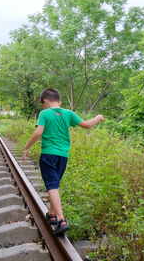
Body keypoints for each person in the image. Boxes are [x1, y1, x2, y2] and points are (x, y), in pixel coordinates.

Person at [22, 88, 105, 236]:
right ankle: (52, 215)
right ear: (59, 101)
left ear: (46, 100)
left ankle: (61, 220)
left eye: (43, 104)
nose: (43, 106)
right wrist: (98, 117)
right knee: (54, 185)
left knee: (51, 186)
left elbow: (38, 132)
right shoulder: (68, 113)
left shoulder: (44, 113)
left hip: (48, 154)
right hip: (63, 156)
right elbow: (86, 125)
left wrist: (26, 148)